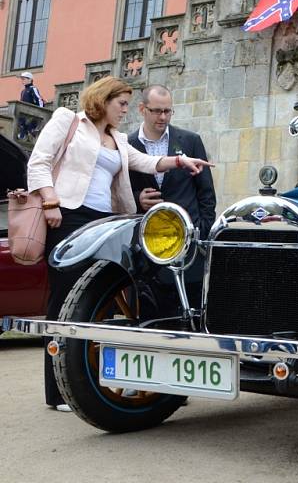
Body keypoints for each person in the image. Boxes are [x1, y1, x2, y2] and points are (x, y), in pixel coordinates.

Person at [26, 76, 212, 412]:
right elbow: (38, 162)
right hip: (68, 216)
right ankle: (57, 391)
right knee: (65, 300)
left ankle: (88, 386)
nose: (126, 111)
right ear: (103, 99)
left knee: (98, 302)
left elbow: (146, 162)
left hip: (105, 221)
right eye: (122, 104)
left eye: (127, 104)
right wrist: (50, 201)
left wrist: (180, 161)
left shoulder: (117, 138)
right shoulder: (68, 121)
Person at [128, 84, 216, 309]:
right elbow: (118, 188)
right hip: (146, 241)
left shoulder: (190, 140)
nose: (163, 117)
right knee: (149, 306)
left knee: (190, 307)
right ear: (142, 109)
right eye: (157, 111)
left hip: (189, 242)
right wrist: (138, 198)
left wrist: (203, 229)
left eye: (168, 111)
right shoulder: (127, 145)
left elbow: (206, 191)